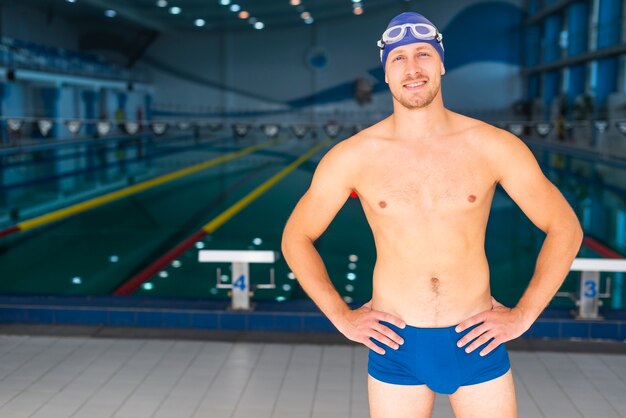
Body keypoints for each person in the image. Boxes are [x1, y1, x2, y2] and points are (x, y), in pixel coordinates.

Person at [281, 11, 583, 418]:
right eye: (398, 59)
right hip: (396, 345)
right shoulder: (352, 157)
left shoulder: (493, 146)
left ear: (441, 62)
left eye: (423, 54)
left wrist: (525, 314)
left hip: (477, 340)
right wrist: (341, 316)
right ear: (385, 74)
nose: (413, 69)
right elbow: (295, 237)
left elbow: (564, 227)